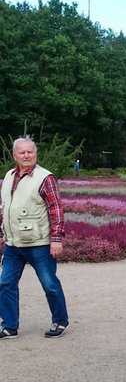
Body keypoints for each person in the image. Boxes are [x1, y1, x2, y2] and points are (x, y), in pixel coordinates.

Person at [0, 137, 69, 340]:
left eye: (30, 152)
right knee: (5, 284)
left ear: (35, 154)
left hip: (39, 243)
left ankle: (60, 320)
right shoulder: (9, 176)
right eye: (22, 152)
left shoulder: (45, 177)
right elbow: (4, 210)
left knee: (49, 284)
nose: (27, 155)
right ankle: (9, 326)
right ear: (15, 156)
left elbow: (56, 209)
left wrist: (56, 239)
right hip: (13, 244)